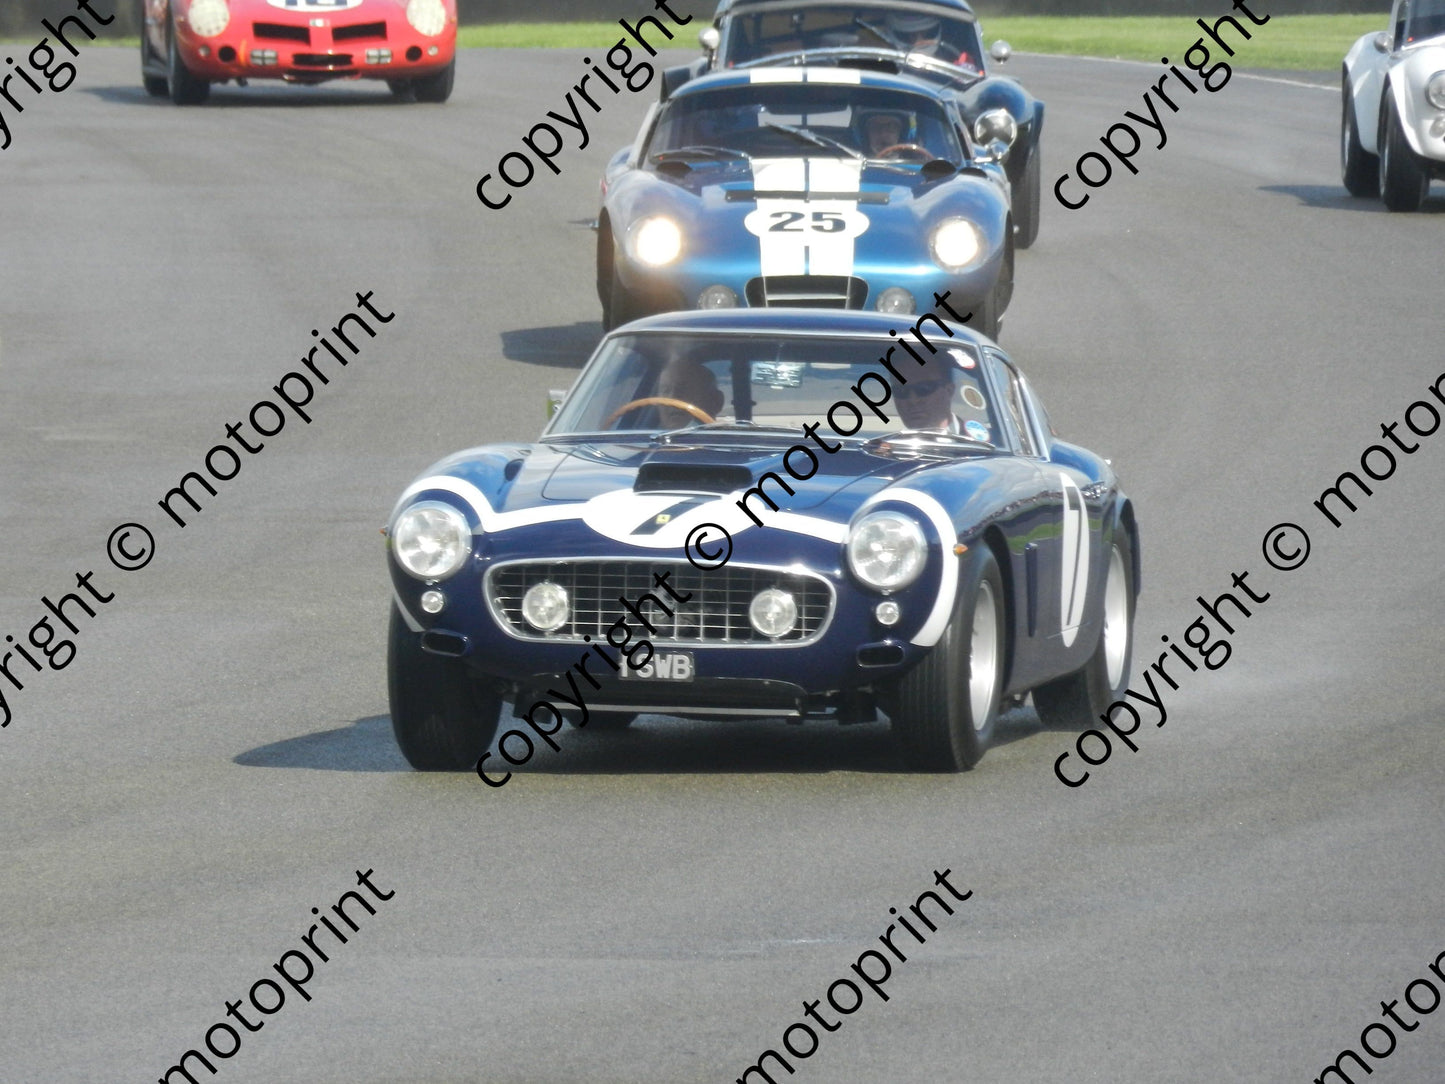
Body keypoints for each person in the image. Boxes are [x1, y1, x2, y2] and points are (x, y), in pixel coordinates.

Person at [655, 357, 724, 428]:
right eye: (665, 391)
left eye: (682, 389)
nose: (672, 398)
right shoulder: (647, 433)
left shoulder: (724, 438)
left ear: (716, 401)